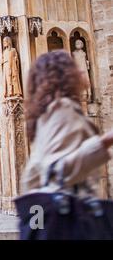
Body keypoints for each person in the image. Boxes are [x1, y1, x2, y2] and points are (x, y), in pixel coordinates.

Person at [22, 51, 113, 197]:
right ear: (65, 76)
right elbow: (56, 170)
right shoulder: (61, 109)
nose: (82, 70)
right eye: (75, 66)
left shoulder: (53, 111)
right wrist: (107, 140)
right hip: (67, 212)